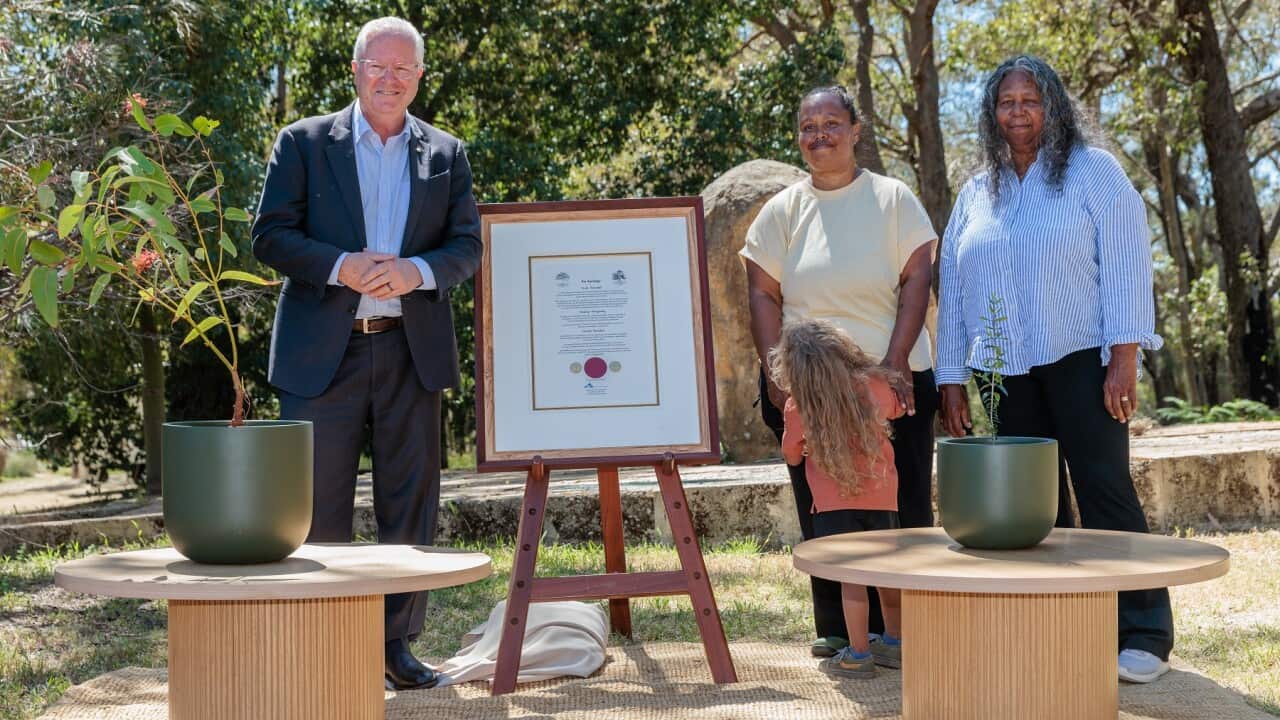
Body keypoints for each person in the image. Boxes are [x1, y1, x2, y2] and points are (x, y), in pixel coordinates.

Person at [251, 16, 482, 690]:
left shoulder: (446, 153)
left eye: (403, 68)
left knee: (409, 506)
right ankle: (323, 646)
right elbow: (269, 236)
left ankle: (394, 648)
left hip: (412, 354)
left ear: (418, 78)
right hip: (323, 356)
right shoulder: (302, 143)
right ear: (355, 72)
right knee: (315, 507)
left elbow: (466, 247)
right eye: (377, 67)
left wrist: (417, 273)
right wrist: (340, 265)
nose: (390, 78)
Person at [935, 54, 1171, 684]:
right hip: (1002, 368)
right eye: (1006, 102)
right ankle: (1062, 625)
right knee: (1032, 508)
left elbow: (1125, 262)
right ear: (992, 113)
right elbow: (953, 287)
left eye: (1030, 100)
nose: (1018, 112)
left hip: (1083, 359)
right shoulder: (975, 192)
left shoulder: (1094, 173)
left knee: (1105, 490)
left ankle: (1144, 631)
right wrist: (951, 377)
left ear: (1053, 107)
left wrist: (1124, 356)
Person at [740, 85, 938, 658]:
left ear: (856, 131)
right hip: (813, 390)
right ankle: (838, 626)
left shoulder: (893, 198)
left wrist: (897, 360)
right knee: (824, 506)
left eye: (832, 123)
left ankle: (905, 629)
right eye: (808, 126)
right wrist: (776, 369)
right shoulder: (782, 211)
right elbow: (761, 293)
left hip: (892, 382)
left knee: (900, 505)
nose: (819, 135)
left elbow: (917, 280)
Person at [771, 319, 905, 678]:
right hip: (883, 498)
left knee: (852, 580)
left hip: (835, 503)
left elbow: (792, 456)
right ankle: (895, 642)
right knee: (886, 574)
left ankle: (858, 653)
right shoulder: (875, 385)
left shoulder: (799, 406)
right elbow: (897, 409)